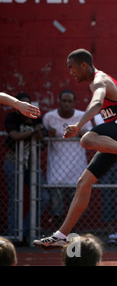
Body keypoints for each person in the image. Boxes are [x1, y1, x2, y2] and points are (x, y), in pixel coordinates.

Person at [33, 49, 117, 250]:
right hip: (115, 134)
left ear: (83, 64)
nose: (70, 73)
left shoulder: (100, 80)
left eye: (71, 68)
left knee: (87, 138)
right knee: (83, 183)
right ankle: (62, 235)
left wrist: (78, 125)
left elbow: (97, 102)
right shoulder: (95, 81)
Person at [43, 89, 94, 226]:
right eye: (64, 101)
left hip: (76, 170)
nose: (66, 104)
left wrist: (83, 134)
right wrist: (48, 134)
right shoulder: (49, 118)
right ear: (59, 101)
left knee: (75, 206)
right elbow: (41, 136)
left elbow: (90, 137)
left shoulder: (82, 117)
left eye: (69, 101)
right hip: (56, 170)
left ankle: (70, 232)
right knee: (56, 208)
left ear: (74, 103)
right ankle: (59, 233)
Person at [3, 93, 49, 245]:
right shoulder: (12, 118)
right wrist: (33, 132)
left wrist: (40, 132)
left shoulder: (36, 118)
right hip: (14, 161)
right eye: (21, 104)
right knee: (15, 199)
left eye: (28, 104)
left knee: (42, 196)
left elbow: (42, 140)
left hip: (32, 163)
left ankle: (25, 231)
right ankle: (14, 237)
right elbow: (15, 135)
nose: (25, 107)